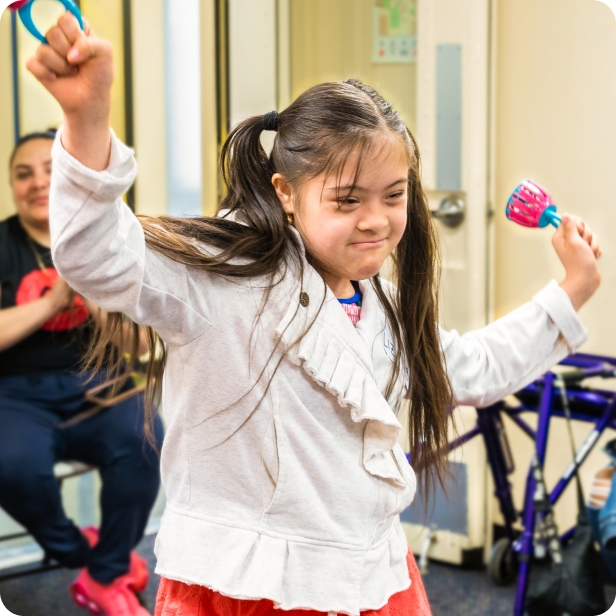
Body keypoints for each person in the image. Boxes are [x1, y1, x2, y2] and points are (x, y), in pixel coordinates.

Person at [27, 13, 601, 616]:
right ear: (285, 192)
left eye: (394, 195)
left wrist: (571, 290)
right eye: (347, 199)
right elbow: (96, 257)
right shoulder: (222, 278)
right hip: (244, 587)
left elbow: (474, 368)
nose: (376, 219)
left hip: (373, 577)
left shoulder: (379, 302)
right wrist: (87, 120)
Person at [0, 129, 164, 616]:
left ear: (68, 180)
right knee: (12, 466)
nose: (37, 183)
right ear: (12, 184)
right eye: (23, 173)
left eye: (50, 170)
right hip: (16, 391)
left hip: (101, 382)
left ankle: (105, 573)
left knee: (144, 441)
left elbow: (139, 345)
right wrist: (52, 301)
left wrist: (91, 295)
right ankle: (85, 556)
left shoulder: (107, 240)